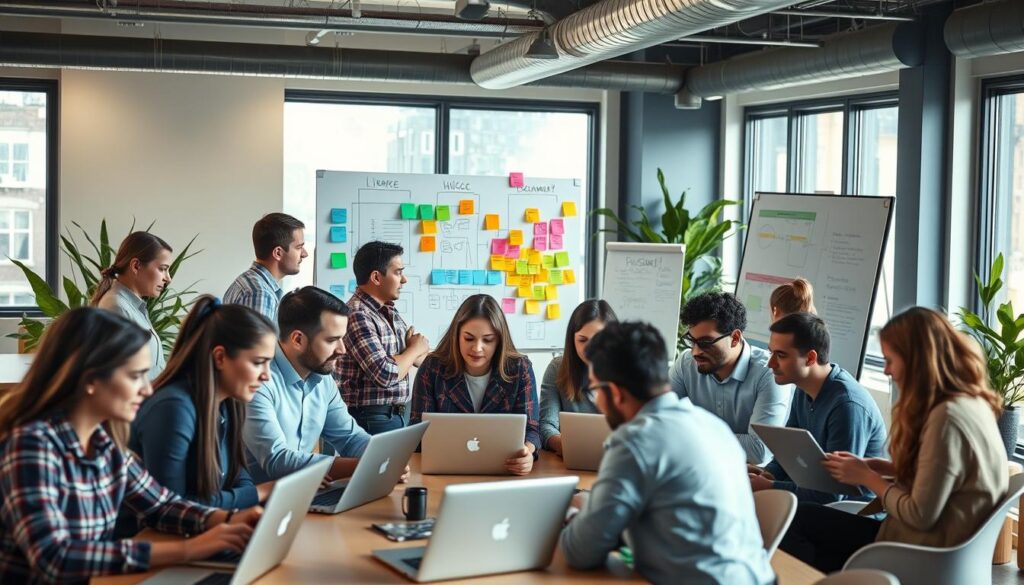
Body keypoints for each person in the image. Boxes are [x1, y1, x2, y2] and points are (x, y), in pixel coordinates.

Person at [0, 308, 261, 582]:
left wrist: (226, 520)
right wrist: (187, 549)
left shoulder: (105, 444)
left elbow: (162, 506)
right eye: (135, 376)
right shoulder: (31, 446)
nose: (147, 389)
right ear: (90, 379)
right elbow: (55, 558)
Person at [779, 307, 1009, 573]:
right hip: (939, 544)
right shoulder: (970, 402)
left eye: (890, 359)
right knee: (804, 518)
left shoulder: (946, 419)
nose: (886, 370)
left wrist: (867, 477)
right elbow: (951, 478)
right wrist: (888, 468)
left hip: (917, 550)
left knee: (797, 522)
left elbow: (920, 515)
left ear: (916, 360)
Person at [560, 321, 775, 585]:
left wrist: (576, 513)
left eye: (595, 390)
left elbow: (581, 553)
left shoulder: (634, 441)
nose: (597, 402)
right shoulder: (713, 426)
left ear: (615, 393)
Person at [125, 296, 278, 535]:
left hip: (200, 533)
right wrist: (261, 492)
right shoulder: (173, 408)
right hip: (148, 543)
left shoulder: (228, 403)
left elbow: (239, 476)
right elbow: (176, 507)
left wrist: (251, 495)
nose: (266, 375)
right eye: (259, 363)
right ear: (220, 358)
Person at [244, 286, 381, 483]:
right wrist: (365, 466)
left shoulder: (323, 378)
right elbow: (277, 461)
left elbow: (350, 438)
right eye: (332, 340)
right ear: (298, 339)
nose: (342, 349)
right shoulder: (258, 380)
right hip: (253, 505)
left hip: (302, 495)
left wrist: (384, 458)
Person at [749, 312, 887, 503]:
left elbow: (832, 493)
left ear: (810, 358)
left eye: (780, 355)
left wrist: (771, 486)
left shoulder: (846, 405)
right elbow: (789, 455)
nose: (770, 363)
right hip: (812, 495)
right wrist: (766, 474)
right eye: (771, 352)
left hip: (850, 513)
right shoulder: (802, 388)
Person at [410, 294, 539, 475]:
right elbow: (417, 432)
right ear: (456, 336)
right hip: (445, 470)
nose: (477, 348)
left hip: (503, 471)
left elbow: (532, 429)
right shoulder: (433, 367)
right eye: (469, 338)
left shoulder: (519, 368)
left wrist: (528, 453)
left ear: (499, 340)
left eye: (487, 340)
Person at [668, 291, 793, 465]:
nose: (695, 352)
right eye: (692, 340)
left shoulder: (769, 373)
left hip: (750, 478)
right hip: (699, 466)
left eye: (705, 343)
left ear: (735, 338)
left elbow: (759, 450)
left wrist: (691, 433)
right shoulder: (686, 363)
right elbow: (661, 420)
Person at [336, 241, 430, 435]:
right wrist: (413, 350)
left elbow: (418, 357)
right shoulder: (357, 314)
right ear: (377, 277)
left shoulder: (387, 311)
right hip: (371, 418)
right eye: (398, 272)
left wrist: (412, 353)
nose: (404, 280)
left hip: (393, 415)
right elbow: (386, 374)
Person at [539, 299, 617, 455]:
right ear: (572, 339)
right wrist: (564, 445)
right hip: (572, 462)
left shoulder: (630, 370)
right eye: (582, 340)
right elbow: (545, 425)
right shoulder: (558, 368)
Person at [92, 231, 173, 380]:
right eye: (162, 269)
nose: (168, 278)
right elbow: (119, 377)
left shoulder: (133, 306)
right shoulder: (117, 307)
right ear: (136, 266)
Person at [224, 212, 307, 319]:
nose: (305, 254)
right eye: (299, 247)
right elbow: (257, 337)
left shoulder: (247, 282)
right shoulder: (260, 294)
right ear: (278, 253)